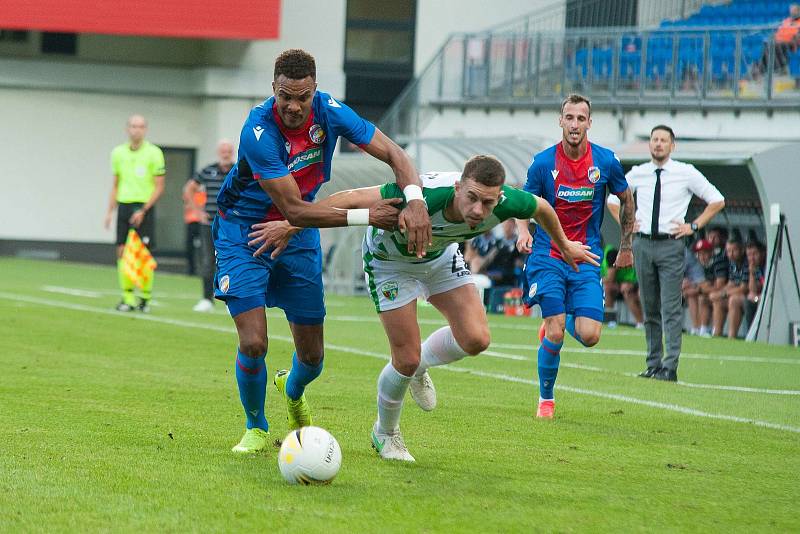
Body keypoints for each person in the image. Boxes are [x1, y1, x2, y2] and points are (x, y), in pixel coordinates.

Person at [249, 155, 597, 461]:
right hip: (390, 263)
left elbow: (541, 207)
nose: (478, 210)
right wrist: (292, 224)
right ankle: (385, 434)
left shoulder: (507, 202)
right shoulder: (422, 194)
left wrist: (564, 245)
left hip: (439, 257)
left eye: (487, 203)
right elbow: (346, 198)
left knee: (476, 339)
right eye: (472, 198)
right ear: (458, 186)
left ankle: (420, 368)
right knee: (405, 357)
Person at [213, 49, 431, 454]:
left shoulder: (331, 111)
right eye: (285, 97)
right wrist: (367, 215)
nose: (294, 107)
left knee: (312, 358)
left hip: (298, 235)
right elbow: (293, 207)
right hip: (245, 232)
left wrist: (415, 199)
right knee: (254, 342)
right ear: (273, 90)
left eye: (303, 97)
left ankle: (292, 392)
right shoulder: (257, 131)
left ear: (315, 90)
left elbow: (396, 155)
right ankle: (257, 427)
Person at [515, 94, 636, 419]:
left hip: (586, 257)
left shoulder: (605, 161)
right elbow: (522, 203)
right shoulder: (543, 163)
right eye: (569, 117)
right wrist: (523, 232)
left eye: (581, 119)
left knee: (590, 336)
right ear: (560, 120)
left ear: (589, 123)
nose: (574, 124)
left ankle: (562, 321)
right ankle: (546, 400)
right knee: (554, 332)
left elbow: (627, 198)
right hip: (548, 255)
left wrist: (626, 245)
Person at [608, 125, 725, 382]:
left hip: (671, 244)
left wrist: (694, 226)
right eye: (654, 140)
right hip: (642, 243)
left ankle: (670, 366)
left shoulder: (685, 172)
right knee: (649, 305)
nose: (658, 144)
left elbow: (717, 199)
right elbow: (613, 200)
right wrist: (627, 224)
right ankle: (653, 363)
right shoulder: (639, 173)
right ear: (649, 144)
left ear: (673, 146)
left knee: (670, 307)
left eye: (663, 140)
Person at [104, 114, 165, 313]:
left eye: (139, 126)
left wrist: (144, 210)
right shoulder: (118, 153)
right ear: (127, 129)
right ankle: (127, 298)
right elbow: (115, 184)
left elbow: (159, 187)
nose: (135, 130)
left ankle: (145, 299)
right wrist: (109, 211)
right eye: (132, 126)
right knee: (122, 250)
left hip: (144, 206)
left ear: (145, 129)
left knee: (144, 253)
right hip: (124, 205)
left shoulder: (154, 153)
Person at [183, 139, 235, 312]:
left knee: (232, 261)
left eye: (228, 150)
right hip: (209, 223)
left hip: (232, 224)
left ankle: (231, 300)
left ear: (232, 152)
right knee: (208, 261)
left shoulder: (238, 170)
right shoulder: (208, 170)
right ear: (218, 152)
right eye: (223, 150)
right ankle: (206, 298)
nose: (225, 153)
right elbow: (189, 189)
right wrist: (197, 211)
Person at [710, 236, 748, 338]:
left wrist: (723, 293)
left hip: (749, 296)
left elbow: (744, 288)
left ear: (742, 250)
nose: (730, 254)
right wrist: (718, 293)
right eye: (728, 251)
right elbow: (731, 283)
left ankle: (732, 336)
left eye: (734, 250)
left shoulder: (747, 262)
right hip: (738, 293)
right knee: (718, 300)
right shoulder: (732, 262)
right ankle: (717, 334)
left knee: (733, 300)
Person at [601, 245, 643, 329]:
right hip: (617, 283)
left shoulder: (610, 253)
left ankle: (641, 323)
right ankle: (610, 320)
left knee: (626, 289)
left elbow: (610, 277)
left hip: (633, 281)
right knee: (607, 288)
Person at [760, 4, 800, 75]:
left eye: (794, 10)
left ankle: (779, 68)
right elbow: (778, 32)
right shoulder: (786, 21)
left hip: (792, 43)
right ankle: (764, 69)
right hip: (779, 41)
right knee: (768, 44)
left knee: (776, 46)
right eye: (791, 10)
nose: (792, 12)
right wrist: (773, 38)